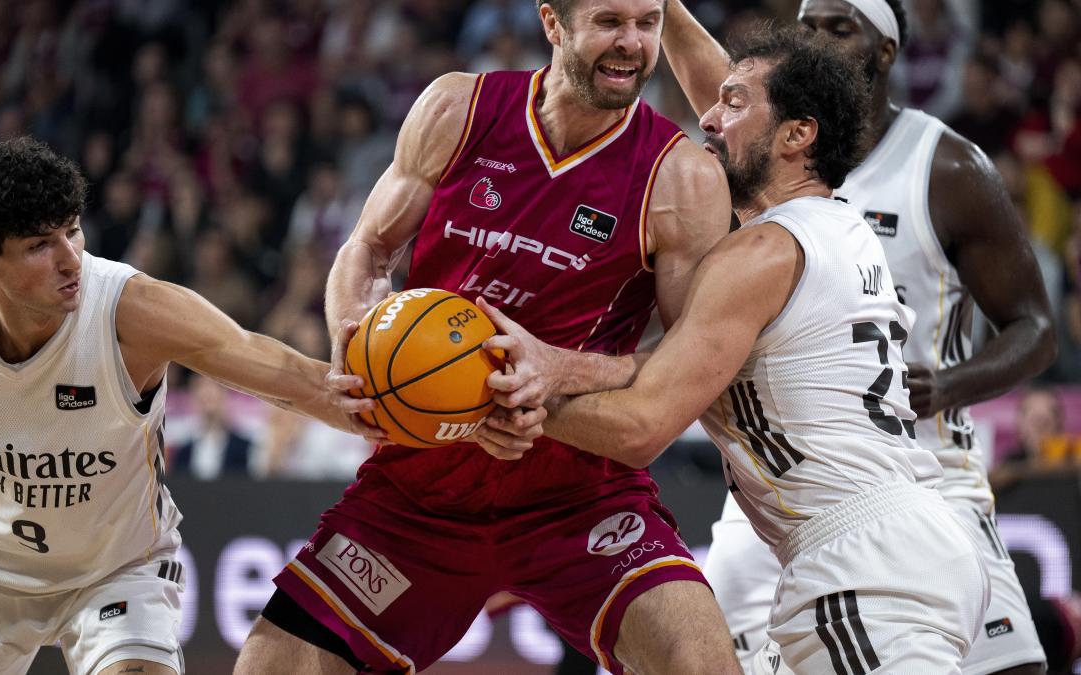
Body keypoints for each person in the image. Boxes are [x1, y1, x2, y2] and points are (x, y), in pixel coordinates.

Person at [233, 1, 743, 674]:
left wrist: (555, 372)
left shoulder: (680, 177)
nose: (632, 44)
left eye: (647, 23)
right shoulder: (458, 108)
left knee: (702, 662)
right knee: (269, 667)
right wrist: (354, 342)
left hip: (578, 495)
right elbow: (368, 246)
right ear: (553, 23)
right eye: (609, 21)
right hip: (421, 487)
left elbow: (682, 370)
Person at [481, 24, 990, 673]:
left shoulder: (762, 254)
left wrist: (491, 401)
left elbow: (643, 422)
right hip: (898, 538)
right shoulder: (835, 223)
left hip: (862, 559)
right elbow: (680, 362)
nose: (707, 119)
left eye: (733, 103)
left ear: (797, 136)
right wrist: (558, 366)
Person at [0, 137, 378, 675]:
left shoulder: (131, 311)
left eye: (72, 229)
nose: (71, 258)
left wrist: (446, 424)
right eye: (39, 245)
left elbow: (293, 379)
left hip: (114, 571)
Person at [659, 1, 1056, 672]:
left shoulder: (944, 166)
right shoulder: (767, 150)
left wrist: (950, 384)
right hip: (791, 480)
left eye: (841, 28)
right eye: (809, 26)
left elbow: (1037, 326)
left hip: (917, 466)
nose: (817, 39)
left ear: (885, 53)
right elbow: (719, 96)